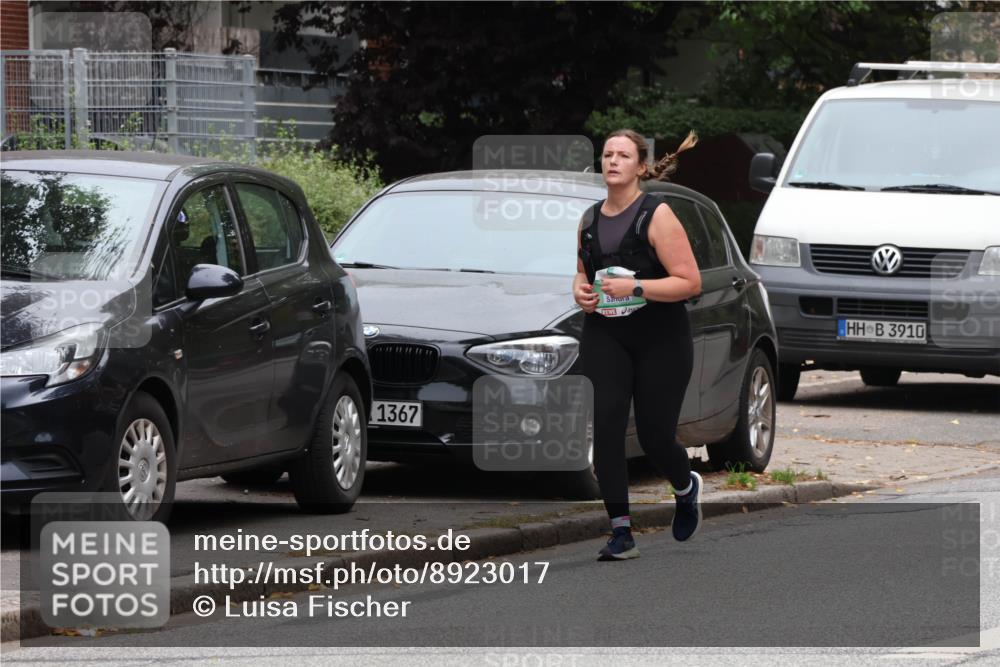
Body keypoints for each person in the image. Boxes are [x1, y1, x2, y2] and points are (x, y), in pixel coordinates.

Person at [573, 129, 702, 561]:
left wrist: (636, 286)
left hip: (660, 338)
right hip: (606, 334)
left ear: (640, 167)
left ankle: (686, 489)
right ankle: (621, 532)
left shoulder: (657, 215)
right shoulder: (589, 220)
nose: (612, 161)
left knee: (654, 436)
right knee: (607, 428)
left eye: (622, 155)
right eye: (607, 154)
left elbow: (689, 281)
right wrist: (580, 293)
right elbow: (580, 273)